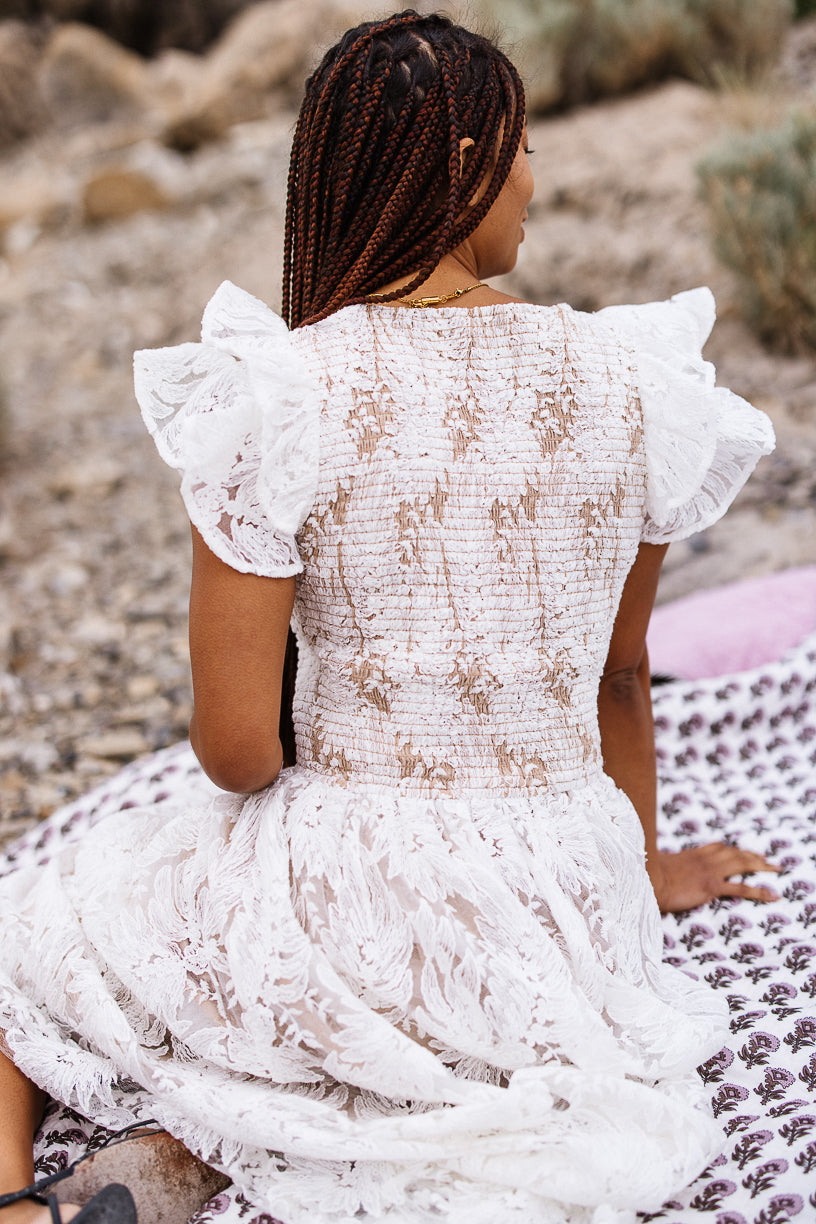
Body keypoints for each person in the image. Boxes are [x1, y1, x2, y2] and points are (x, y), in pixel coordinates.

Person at [0, 10, 779, 1224]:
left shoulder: (281, 393)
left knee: (35, 938)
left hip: (357, 882)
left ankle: (18, 1197)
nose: (538, 177)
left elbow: (237, 750)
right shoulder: (638, 383)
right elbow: (623, 682)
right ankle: (209, 1148)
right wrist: (636, 875)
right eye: (523, 146)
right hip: (567, 911)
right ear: (467, 160)